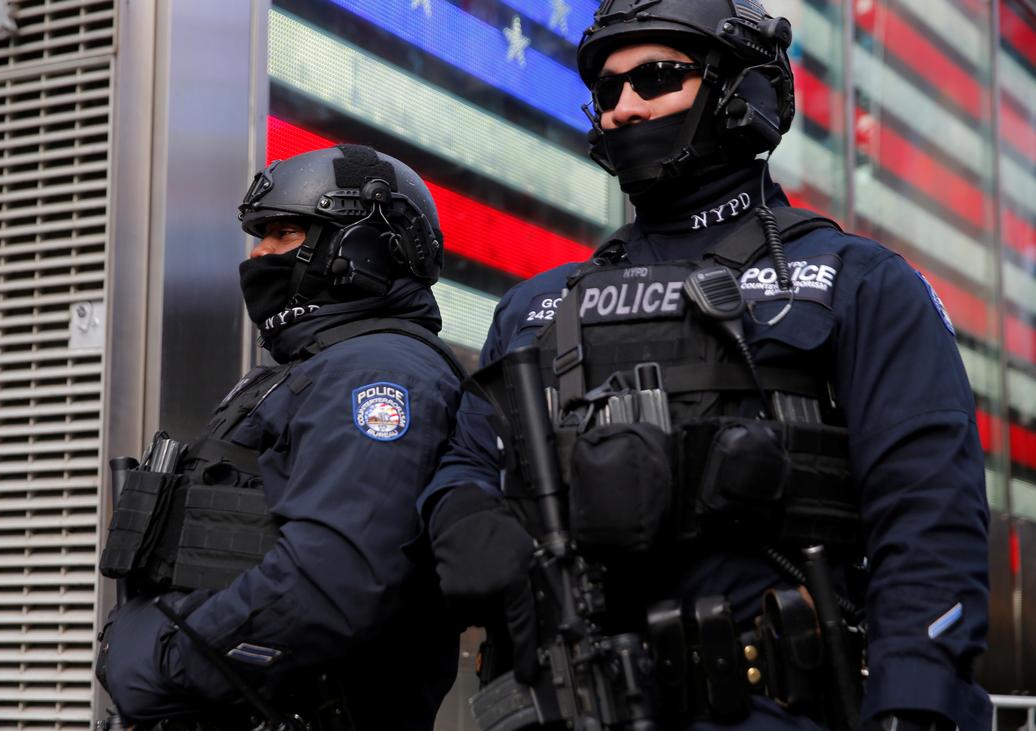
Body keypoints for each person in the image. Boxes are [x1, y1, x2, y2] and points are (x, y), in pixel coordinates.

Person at [423, 2, 991, 730]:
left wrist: (915, 703)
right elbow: (466, 464)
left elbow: (929, 512)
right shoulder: (535, 308)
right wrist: (465, 514)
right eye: (606, 90)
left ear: (739, 92)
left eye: (657, 78)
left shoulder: (856, 281)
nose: (624, 108)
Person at [97, 145, 464, 730]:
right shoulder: (304, 371)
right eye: (259, 234)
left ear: (362, 246)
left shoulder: (377, 372)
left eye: (284, 232)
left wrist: (169, 659)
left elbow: (334, 580)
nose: (259, 253)